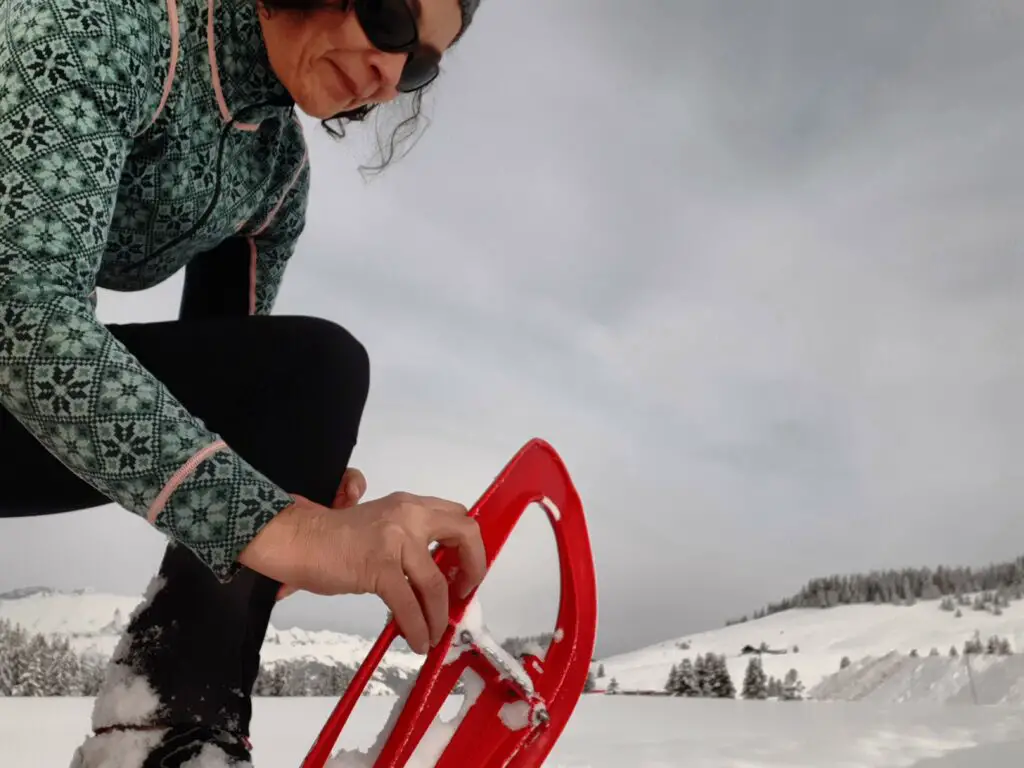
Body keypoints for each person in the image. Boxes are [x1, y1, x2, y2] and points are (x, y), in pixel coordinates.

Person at [0, 0, 489, 765]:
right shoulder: (98, 26)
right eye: (389, 19)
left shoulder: (275, 175)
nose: (390, 77)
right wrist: (284, 531)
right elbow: (21, 322)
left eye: (420, 63)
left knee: (310, 375)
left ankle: (169, 736)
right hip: (16, 350)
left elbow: (238, 414)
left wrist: (270, 517)